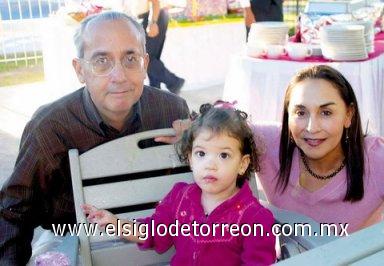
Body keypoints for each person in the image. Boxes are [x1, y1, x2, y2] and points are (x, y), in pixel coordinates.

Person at [0, 11, 189, 265]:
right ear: (80, 70)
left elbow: (211, 190)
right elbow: (14, 211)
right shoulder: (51, 128)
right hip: (75, 245)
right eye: (102, 61)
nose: (119, 75)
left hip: (158, 244)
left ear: (145, 64)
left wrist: (199, 145)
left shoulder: (171, 112)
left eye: (130, 58)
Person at [83, 102, 276, 265]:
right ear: (190, 159)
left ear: (242, 164)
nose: (210, 165)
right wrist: (114, 222)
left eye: (224, 155)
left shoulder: (255, 218)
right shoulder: (180, 197)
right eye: (201, 154)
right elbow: (152, 232)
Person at [253, 65, 384, 233]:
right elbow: (221, 123)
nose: (312, 128)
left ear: (348, 115)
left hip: (360, 258)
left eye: (326, 113)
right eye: (301, 113)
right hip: (289, 258)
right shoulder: (267, 142)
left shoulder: (376, 160)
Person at [123, 0, 185, 94]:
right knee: (151, 59)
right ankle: (156, 91)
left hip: (153, 17)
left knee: (146, 58)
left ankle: (174, 82)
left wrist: (153, 22)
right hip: (150, 18)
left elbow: (155, 1)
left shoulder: (153, 20)